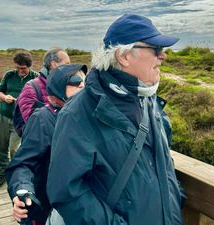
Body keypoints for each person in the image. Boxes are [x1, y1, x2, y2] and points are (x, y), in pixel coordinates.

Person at [47, 14, 186, 225]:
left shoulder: (149, 101)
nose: (163, 56)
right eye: (155, 48)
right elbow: (66, 192)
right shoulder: (77, 114)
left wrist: (175, 199)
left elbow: (161, 160)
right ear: (124, 56)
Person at [5, 64, 87, 225]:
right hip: (51, 207)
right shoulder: (43, 119)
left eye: (85, 80)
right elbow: (22, 163)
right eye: (76, 80)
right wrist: (23, 190)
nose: (82, 84)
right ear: (58, 86)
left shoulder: (86, 115)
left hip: (84, 206)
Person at [0, 50, 39, 189]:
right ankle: (2, 174)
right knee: (0, 147)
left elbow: (39, 99)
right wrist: (4, 97)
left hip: (20, 120)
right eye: (18, 67)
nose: (20, 71)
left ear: (29, 66)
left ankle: (15, 175)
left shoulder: (35, 78)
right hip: (3, 116)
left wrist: (22, 101)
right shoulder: (9, 75)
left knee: (14, 149)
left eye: (23, 68)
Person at [16, 48, 70, 126]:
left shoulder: (67, 86)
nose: (70, 67)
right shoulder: (31, 88)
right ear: (54, 64)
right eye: (67, 64)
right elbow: (33, 123)